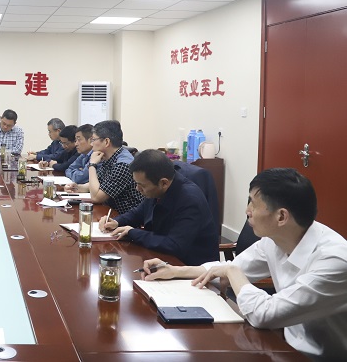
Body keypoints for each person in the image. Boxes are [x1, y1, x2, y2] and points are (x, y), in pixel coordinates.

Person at [140, 168, 347, 360]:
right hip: (286, 345)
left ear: (281, 216)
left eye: (253, 204)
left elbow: (263, 313)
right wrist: (174, 270)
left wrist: (232, 271)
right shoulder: (277, 238)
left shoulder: (334, 261)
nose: (247, 210)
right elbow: (230, 268)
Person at [98, 149, 218, 266]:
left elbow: (175, 245)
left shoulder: (190, 199)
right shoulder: (157, 189)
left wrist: (133, 232)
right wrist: (117, 222)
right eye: (136, 183)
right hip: (163, 259)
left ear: (163, 183)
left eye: (141, 185)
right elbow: (138, 213)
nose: (137, 189)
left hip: (191, 268)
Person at [85, 120, 144, 213]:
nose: (91, 144)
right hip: (110, 213)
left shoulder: (122, 165)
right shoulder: (110, 157)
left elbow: (96, 198)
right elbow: (99, 184)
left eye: (93, 140)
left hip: (125, 217)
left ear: (106, 142)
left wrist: (92, 165)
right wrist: (77, 187)